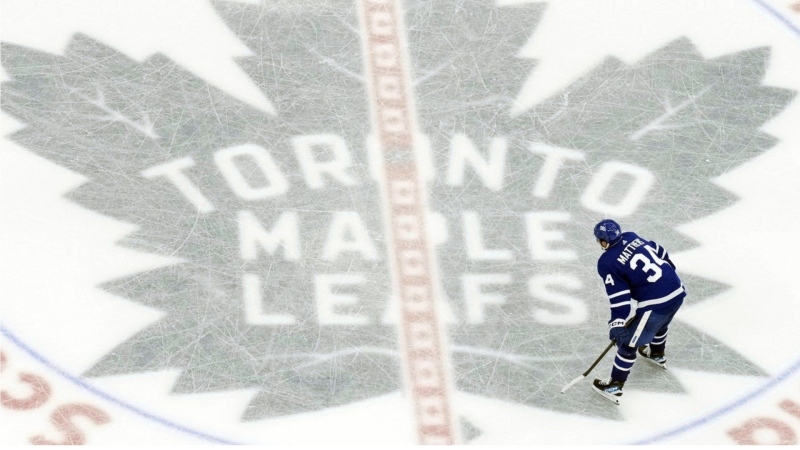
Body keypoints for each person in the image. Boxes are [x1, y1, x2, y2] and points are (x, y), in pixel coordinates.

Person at [591, 219, 686, 404]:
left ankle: (615, 385)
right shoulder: (631, 236)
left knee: (628, 344)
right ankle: (657, 354)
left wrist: (617, 323)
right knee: (661, 323)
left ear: (603, 241)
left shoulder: (607, 262)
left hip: (656, 302)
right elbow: (659, 250)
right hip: (677, 290)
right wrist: (668, 274)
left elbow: (620, 297)